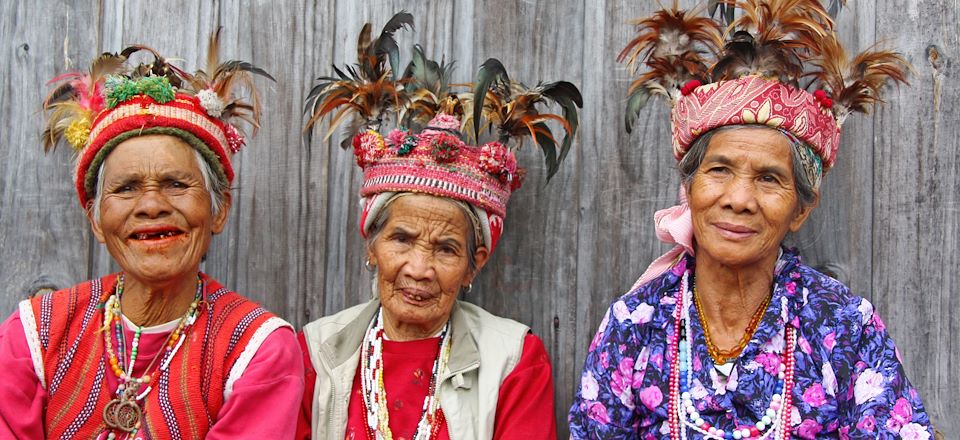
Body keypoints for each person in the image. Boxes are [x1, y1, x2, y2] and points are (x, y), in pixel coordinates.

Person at [569, 2, 934, 439]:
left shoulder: (842, 326)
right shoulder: (635, 324)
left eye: (768, 178)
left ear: (801, 209)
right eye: (719, 170)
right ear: (690, 189)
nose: (739, 199)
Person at [0, 32, 303, 439]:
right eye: (125, 188)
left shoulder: (257, 350)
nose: (151, 205)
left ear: (219, 210)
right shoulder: (35, 334)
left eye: (176, 184)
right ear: (95, 219)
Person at [297, 13, 582, 439]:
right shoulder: (318, 350)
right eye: (401, 239)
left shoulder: (514, 358)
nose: (419, 268)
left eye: (447, 248)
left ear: (474, 264)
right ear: (371, 245)